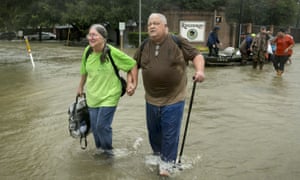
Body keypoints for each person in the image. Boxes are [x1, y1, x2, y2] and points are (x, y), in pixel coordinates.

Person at [133, 13, 205, 176]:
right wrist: (133, 82)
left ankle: (167, 165)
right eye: (149, 23)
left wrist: (200, 71)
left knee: (170, 133)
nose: (151, 26)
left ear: (165, 27)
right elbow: (134, 64)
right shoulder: (144, 45)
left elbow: (197, 55)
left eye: (156, 23)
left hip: (174, 98)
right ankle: (158, 156)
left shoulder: (177, 42)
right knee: (154, 133)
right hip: (151, 99)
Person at [77, 24, 137, 155]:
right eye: (89, 35)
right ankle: (100, 150)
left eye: (94, 35)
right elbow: (84, 71)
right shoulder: (87, 51)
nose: (91, 37)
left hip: (110, 95)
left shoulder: (112, 52)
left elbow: (132, 64)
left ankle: (109, 153)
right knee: (95, 127)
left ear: (103, 38)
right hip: (93, 96)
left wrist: (132, 84)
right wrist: (80, 86)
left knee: (102, 126)